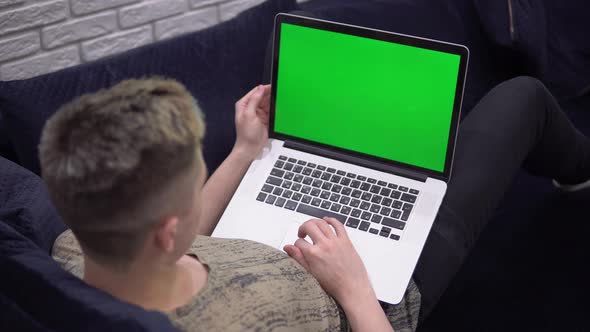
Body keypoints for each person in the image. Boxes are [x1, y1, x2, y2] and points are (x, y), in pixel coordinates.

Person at [43, 75, 590, 332]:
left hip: (293, 248)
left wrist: (242, 153)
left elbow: (191, 240)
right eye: (195, 176)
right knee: (524, 97)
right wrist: (353, 286)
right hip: (376, 295)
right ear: (165, 230)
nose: (205, 178)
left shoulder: (75, 249)